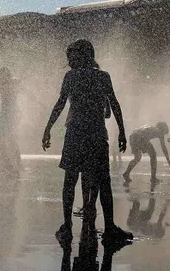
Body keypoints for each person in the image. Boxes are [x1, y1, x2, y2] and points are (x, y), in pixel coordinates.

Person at [42, 39, 132, 248]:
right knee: (103, 182)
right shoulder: (102, 76)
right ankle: (109, 228)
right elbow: (115, 104)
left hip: (75, 134)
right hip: (96, 134)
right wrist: (121, 131)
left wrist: (47, 128)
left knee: (70, 180)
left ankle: (67, 227)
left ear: (83, 55)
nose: (69, 61)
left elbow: (61, 104)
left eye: (71, 56)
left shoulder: (71, 77)